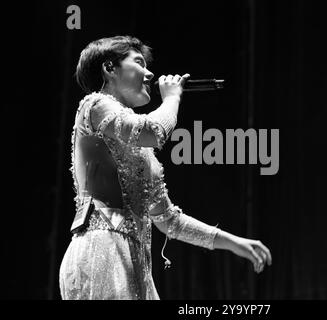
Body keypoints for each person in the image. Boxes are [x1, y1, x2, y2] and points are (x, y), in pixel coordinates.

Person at [59, 35, 272, 300]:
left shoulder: (142, 151)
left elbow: (169, 221)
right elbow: (153, 130)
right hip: (102, 248)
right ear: (109, 68)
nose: (149, 73)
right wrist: (172, 98)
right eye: (138, 62)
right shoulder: (95, 104)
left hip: (135, 260)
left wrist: (233, 243)